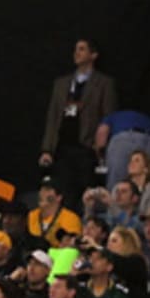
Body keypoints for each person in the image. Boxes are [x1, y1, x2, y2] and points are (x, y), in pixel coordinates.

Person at [40, 40, 118, 209]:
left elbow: (108, 117)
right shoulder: (61, 84)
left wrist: (101, 147)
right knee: (64, 195)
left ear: (93, 55)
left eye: (82, 49)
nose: (77, 53)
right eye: (75, 49)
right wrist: (47, 149)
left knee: (86, 197)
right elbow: (52, 117)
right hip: (63, 148)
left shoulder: (104, 83)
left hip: (86, 149)